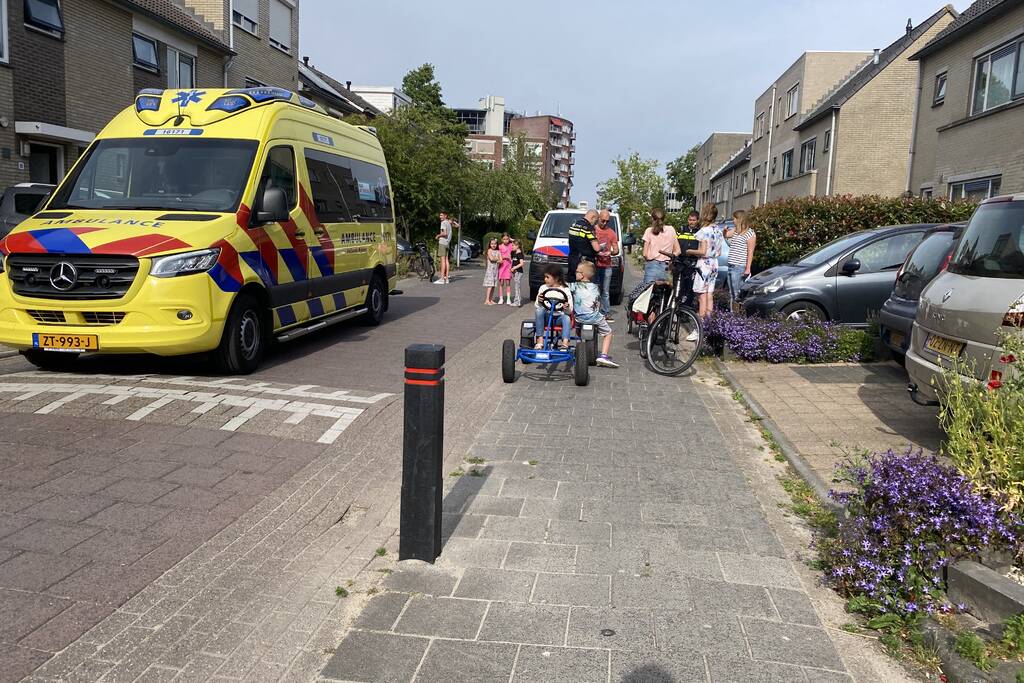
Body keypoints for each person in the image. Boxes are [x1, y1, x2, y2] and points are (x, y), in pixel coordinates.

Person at [686, 203, 733, 329]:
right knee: (709, 295)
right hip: (714, 264)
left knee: (701, 296)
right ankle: (709, 324)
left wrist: (689, 251)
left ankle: (700, 327)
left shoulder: (704, 231)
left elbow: (702, 251)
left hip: (704, 264)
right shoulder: (718, 230)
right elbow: (719, 251)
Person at [571, 261, 619, 368]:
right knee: (608, 333)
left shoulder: (574, 286)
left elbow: (564, 289)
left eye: (577, 272)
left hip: (579, 318)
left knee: (578, 330)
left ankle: (578, 347)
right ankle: (604, 356)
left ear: (582, 275)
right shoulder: (596, 287)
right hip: (594, 318)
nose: (575, 273)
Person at [534, 264, 572, 349]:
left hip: (559, 317)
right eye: (545, 277)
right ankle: (540, 340)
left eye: (547, 277)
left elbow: (569, 311)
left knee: (567, 318)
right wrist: (540, 301)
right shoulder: (543, 288)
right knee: (539, 311)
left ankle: (565, 343)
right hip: (546, 317)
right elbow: (537, 306)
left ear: (556, 278)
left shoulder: (565, 290)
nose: (545, 279)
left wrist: (567, 307)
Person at [641, 208, 680, 284]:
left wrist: (650, 258)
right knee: (665, 293)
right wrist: (670, 257)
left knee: (648, 292)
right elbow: (678, 251)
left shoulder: (649, 231)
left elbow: (644, 254)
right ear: (664, 218)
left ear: (652, 218)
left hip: (652, 265)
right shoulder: (671, 230)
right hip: (666, 267)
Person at [726, 210, 756, 305]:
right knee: (732, 293)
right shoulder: (736, 231)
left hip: (739, 266)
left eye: (734, 218)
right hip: (731, 265)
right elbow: (726, 235)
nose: (733, 220)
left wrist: (748, 268)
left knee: (737, 293)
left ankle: (738, 315)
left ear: (740, 219)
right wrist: (724, 231)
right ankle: (732, 314)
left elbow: (750, 252)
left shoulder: (750, 233)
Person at [594, 209, 619, 320]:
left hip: (606, 265)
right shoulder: (593, 230)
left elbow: (616, 249)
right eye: (603, 221)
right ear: (598, 218)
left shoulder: (611, 233)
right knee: (593, 289)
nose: (604, 223)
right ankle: (593, 311)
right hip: (594, 265)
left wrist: (611, 252)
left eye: (607, 221)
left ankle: (605, 312)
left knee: (605, 291)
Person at [567, 209, 601, 284]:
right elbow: (597, 248)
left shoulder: (573, 225)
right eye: (595, 221)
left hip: (572, 260)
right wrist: (601, 247)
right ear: (593, 217)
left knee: (572, 285)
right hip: (584, 264)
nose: (595, 224)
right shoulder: (588, 228)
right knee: (585, 287)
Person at [435, 211, 455, 284]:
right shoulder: (448, 223)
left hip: (443, 243)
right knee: (446, 260)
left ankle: (441, 279)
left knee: (442, 261)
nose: (440, 217)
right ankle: (446, 278)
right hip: (447, 243)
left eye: (441, 215)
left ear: (445, 216)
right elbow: (457, 226)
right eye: (440, 215)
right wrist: (453, 221)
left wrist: (438, 235)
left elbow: (445, 233)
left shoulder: (443, 223)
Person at [497, 233, 514, 305]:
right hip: (501, 266)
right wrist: (504, 257)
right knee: (501, 283)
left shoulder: (511, 245)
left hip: (508, 266)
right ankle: (501, 298)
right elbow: (498, 255)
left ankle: (508, 298)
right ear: (501, 239)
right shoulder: (500, 246)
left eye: (507, 239)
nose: (506, 240)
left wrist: (511, 239)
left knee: (508, 283)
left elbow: (518, 242)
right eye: (504, 239)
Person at [483, 237, 500, 305]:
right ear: (490, 244)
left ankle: (490, 299)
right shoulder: (489, 250)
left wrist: (497, 259)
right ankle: (487, 300)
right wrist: (497, 259)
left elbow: (501, 260)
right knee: (490, 285)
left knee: (493, 285)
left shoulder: (498, 251)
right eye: (492, 244)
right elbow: (492, 258)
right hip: (490, 270)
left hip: (495, 270)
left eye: (495, 244)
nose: (493, 245)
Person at [510, 239, 525, 306]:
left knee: (517, 287)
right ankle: (516, 300)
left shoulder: (519, 253)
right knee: (516, 286)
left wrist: (514, 268)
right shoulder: (514, 252)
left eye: (513, 245)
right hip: (515, 272)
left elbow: (522, 263)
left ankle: (518, 301)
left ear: (517, 246)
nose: (512, 246)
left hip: (518, 272)